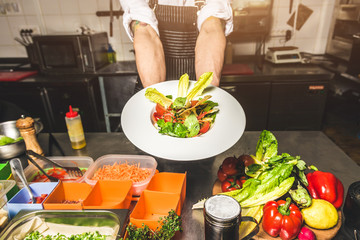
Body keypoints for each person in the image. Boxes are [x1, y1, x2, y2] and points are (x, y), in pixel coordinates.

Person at [119, 0, 233, 88]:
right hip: (152, 79)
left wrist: (205, 96)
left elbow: (211, 28)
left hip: (197, 81)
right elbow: (145, 31)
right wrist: (157, 104)